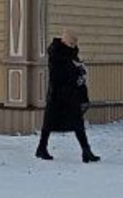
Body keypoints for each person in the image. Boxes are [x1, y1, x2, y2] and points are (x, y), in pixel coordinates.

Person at [36, 28, 100, 162]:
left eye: (74, 44)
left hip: (71, 94)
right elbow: (59, 74)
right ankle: (42, 148)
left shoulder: (70, 53)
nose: (73, 46)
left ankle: (86, 150)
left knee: (77, 122)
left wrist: (79, 70)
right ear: (65, 41)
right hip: (58, 94)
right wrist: (76, 70)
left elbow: (72, 68)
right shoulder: (56, 53)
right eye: (71, 44)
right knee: (50, 122)